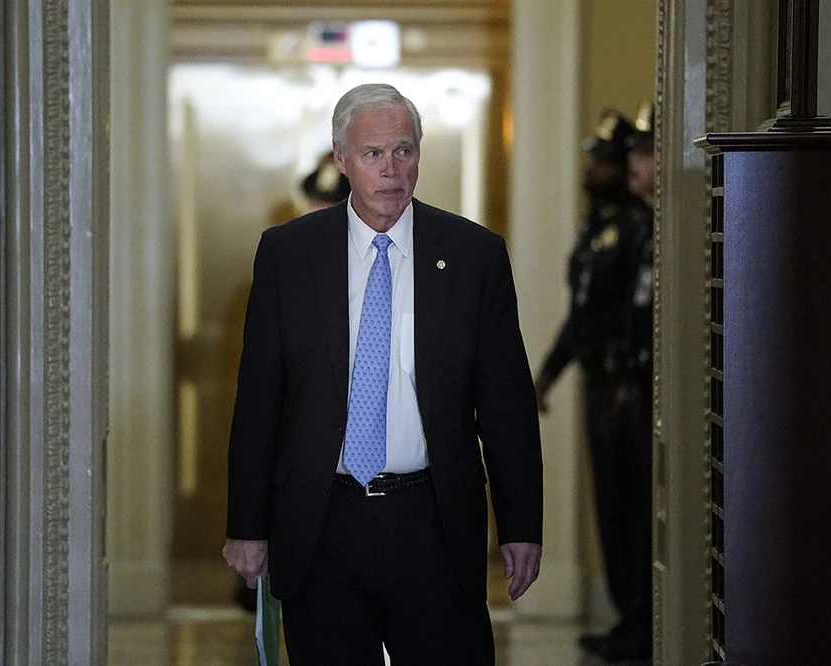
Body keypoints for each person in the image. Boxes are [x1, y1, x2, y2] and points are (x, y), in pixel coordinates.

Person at [222, 83, 544, 666]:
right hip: (322, 522)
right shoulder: (288, 254)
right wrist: (246, 525)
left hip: (433, 520)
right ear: (342, 159)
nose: (391, 169)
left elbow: (506, 405)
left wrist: (521, 526)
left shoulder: (473, 255)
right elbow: (260, 400)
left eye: (404, 150)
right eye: (373, 154)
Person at [534, 108, 653, 662]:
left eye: (603, 161)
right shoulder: (595, 228)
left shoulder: (638, 227)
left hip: (627, 382)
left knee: (634, 504)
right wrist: (548, 373)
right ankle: (626, 614)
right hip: (597, 381)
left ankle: (642, 618)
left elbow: (636, 315)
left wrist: (631, 375)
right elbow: (581, 316)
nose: (593, 170)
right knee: (610, 503)